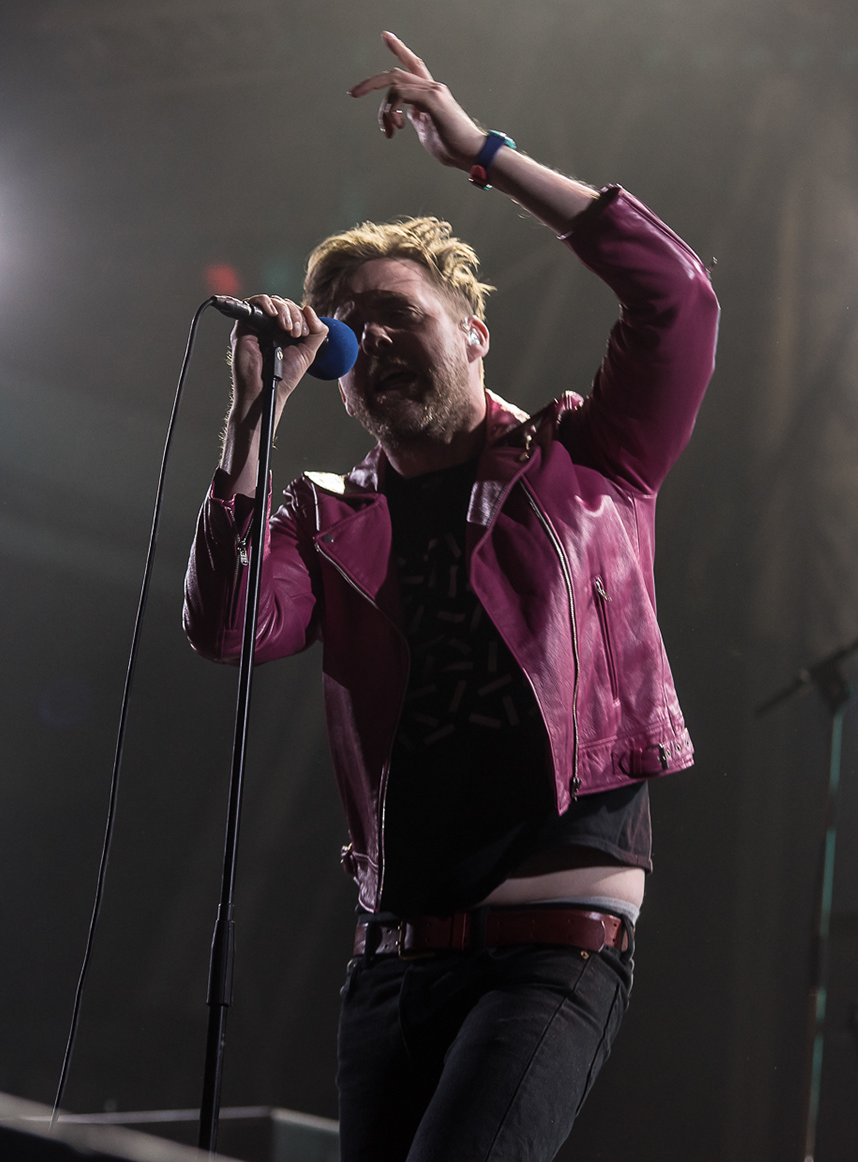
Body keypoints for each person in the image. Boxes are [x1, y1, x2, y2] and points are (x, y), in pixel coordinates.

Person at [182, 31, 717, 1162]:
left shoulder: (592, 461)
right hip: (392, 960)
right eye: (351, 330)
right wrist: (249, 419)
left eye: (400, 314)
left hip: (551, 949)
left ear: (473, 332)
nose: (374, 340)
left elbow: (677, 296)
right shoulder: (326, 518)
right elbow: (228, 628)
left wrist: (484, 154)